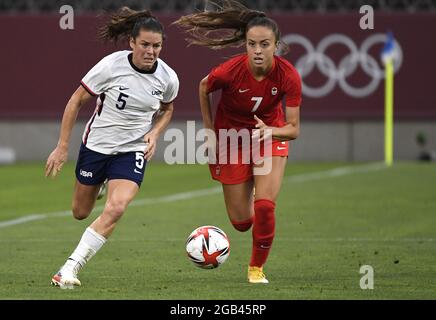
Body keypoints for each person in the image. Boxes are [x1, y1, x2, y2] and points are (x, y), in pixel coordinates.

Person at [45, 7, 179, 288]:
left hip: (132, 151)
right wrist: (61, 146)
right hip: (96, 147)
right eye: (145, 44)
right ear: (131, 42)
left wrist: (155, 133)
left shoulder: (168, 78)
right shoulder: (111, 66)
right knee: (80, 212)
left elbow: (168, 109)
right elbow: (76, 100)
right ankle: (101, 184)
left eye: (156, 46)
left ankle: (70, 267)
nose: (151, 51)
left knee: (117, 208)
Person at [174, 0, 301, 284]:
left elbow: (293, 129)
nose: (257, 50)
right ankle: (257, 211)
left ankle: (256, 268)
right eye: (252, 44)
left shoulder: (288, 75)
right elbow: (204, 86)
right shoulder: (230, 71)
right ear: (245, 44)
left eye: (265, 44)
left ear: (276, 45)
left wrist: (272, 131)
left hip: (270, 136)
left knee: (265, 206)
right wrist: (209, 131)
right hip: (232, 140)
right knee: (242, 222)